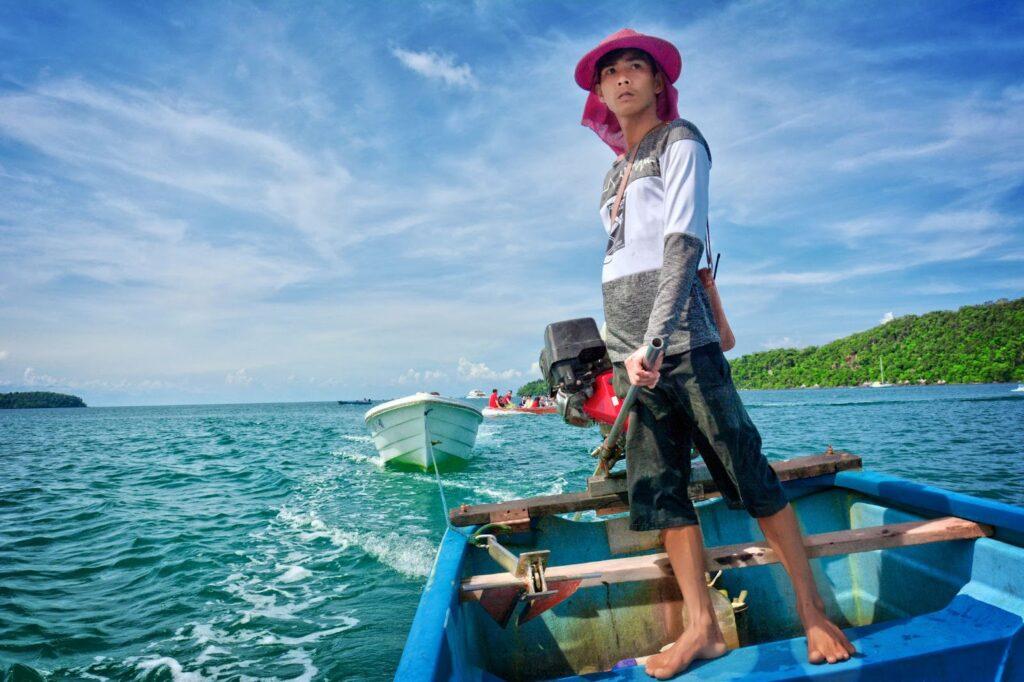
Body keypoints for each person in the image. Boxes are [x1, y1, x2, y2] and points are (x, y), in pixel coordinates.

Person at [575, 29, 855, 678]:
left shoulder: (683, 141)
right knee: (661, 492)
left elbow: (682, 244)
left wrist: (658, 336)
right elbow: (622, 261)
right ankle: (701, 628)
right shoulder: (611, 174)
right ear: (599, 93)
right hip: (632, 356)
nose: (621, 79)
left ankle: (814, 613)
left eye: (634, 68)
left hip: (683, 346)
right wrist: (626, 351)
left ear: (656, 82)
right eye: (609, 72)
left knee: (749, 476)